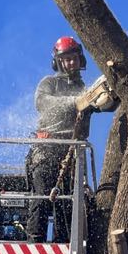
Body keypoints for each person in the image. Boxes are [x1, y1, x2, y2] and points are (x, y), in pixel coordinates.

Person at [26, 36, 87, 243]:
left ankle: (63, 241)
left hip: (72, 151)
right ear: (58, 61)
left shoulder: (83, 88)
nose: (72, 63)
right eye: (67, 59)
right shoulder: (49, 83)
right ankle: (35, 241)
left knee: (68, 199)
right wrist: (75, 102)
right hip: (47, 147)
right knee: (43, 194)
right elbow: (43, 103)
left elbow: (100, 104)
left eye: (74, 58)